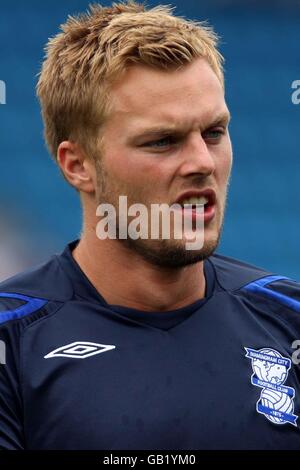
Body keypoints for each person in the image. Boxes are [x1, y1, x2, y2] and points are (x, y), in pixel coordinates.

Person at [0, 1, 300, 451]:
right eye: (162, 141)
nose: (202, 162)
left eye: (214, 133)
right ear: (78, 164)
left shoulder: (288, 321)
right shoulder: (13, 343)